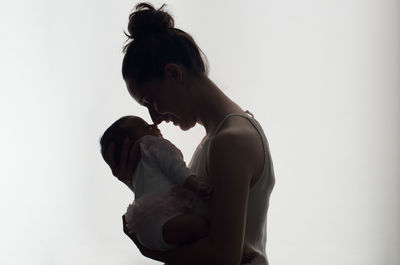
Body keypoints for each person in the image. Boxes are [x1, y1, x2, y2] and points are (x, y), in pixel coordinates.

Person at [106, 2, 275, 264]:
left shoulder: (230, 142)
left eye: (151, 100)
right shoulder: (217, 139)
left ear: (173, 73)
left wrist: (148, 249)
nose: (155, 119)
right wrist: (136, 180)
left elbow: (222, 257)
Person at [100, 115, 214, 251]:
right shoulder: (151, 145)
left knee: (190, 241)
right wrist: (195, 184)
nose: (154, 126)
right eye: (147, 127)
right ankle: (235, 249)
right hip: (161, 216)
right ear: (132, 142)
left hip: (142, 229)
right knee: (200, 226)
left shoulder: (135, 171)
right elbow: (176, 168)